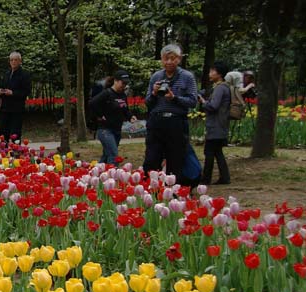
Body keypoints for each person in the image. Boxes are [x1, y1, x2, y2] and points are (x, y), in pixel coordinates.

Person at [142, 44, 198, 186]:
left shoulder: (187, 77)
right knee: (151, 158)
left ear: (179, 59)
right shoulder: (156, 76)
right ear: (161, 59)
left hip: (176, 122)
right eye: (166, 59)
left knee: (176, 158)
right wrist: (154, 93)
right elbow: (148, 102)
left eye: (172, 59)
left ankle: (173, 191)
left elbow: (193, 101)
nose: (169, 62)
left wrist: (175, 98)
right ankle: (150, 189)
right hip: (157, 122)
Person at [88, 70, 137, 165]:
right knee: (114, 155)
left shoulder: (123, 95)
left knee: (107, 155)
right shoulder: (107, 93)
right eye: (123, 83)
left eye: (126, 83)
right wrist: (100, 115)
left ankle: (96, 175)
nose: (124, 85)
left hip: (117, 130)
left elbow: (125, 109)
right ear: (116, 81)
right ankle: (112, 177)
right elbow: (92, 103)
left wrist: (130, 116)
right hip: (105, 130)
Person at [198, 62, 232, 185]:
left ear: (219, 73)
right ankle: (224, 177)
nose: (210, 74)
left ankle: (206, 178)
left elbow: (213, 106)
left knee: (210, 152)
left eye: (212, 71)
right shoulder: (223, 87)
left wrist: (203, 102)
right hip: (220, 124)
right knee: (217, 152)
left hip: (216, 125)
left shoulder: (220, 88)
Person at [0, 52, 31, 141]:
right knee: (3, 133)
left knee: (15, 134)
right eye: (11, 60)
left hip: (17, 109)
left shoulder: (25, 75)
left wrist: (13, 93)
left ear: (20, 61)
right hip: (5, 108)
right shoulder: (6, 74)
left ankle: (16, 153)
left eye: (15, 60)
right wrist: (0, 90)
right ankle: (3, 153)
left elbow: (26, 91)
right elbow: (1, 86)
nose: (13, 62)